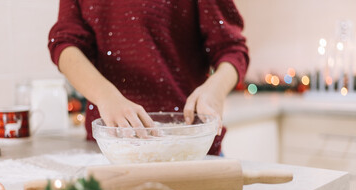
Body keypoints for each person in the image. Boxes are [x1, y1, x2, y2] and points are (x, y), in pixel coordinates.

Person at [48, 0, 249, 155]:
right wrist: (105, 95)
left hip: (190, 148)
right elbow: (65, 43)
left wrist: (215, 89)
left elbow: (232, 49)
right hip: (111, 150)